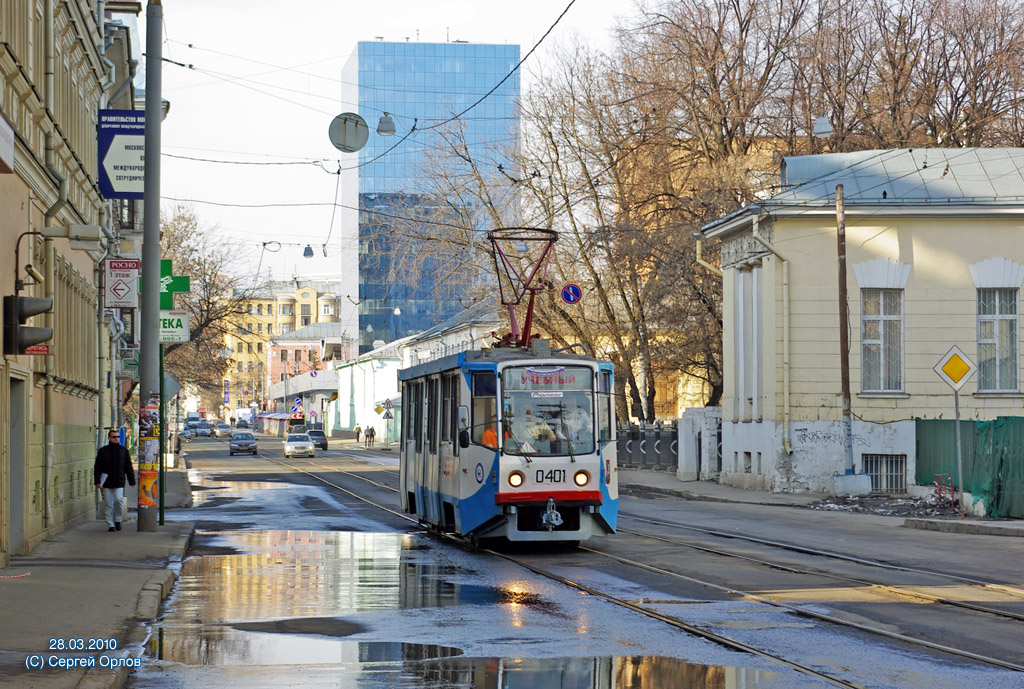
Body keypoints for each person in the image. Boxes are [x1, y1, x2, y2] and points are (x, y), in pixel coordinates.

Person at [94, 430, 136, 532]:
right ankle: (111, 524)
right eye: (114, 437)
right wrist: (97, 481)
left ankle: (118, 520)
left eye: (117, 437)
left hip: (119, 480)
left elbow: (128, 466)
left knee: (118, 500)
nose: (116, 438)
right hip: (106, 481)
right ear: (109, 438)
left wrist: (131, 480)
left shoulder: (123, 450)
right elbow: (97, 467)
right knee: (109, 503)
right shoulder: (103, 451)